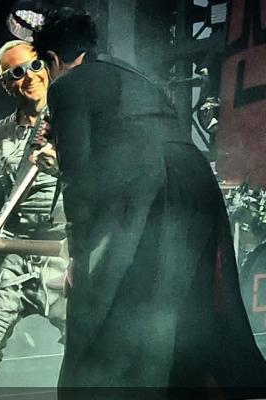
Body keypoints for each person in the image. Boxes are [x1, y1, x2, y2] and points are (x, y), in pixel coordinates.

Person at [33, 7, 266, 398]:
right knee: (183, 301)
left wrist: (78, 256)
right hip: (193, 183)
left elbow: (78, 179)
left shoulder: (66, 86)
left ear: (53, 59)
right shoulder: (131, 73)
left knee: (113, 308)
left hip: (146, 192)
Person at [0, 40, 68, 400]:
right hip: (13, 254)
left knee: (88, 341)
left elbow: (105, 180)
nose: (30, 77)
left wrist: (64, 167)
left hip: (65, 252)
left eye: (35, 66)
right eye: (17, 73)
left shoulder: (73, 117)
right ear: (6, 84)